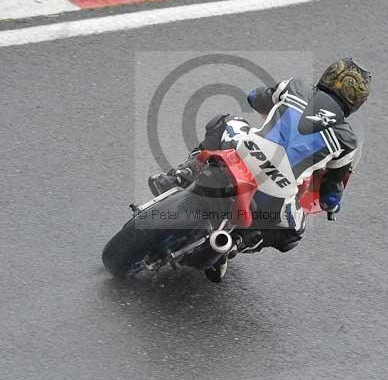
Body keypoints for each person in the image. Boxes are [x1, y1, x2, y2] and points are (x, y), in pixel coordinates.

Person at [148, 58, 371, 281]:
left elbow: (254, 98)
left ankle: (181, 175)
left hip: (243, 156)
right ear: (356, 101)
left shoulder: (296, 87)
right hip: (274, 193)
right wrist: (332, 205)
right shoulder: (346, 141)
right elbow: (331, 192)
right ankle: (235, 243)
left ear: (329, 75)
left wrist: (273, 105)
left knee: (226, 121)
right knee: (295, 231)